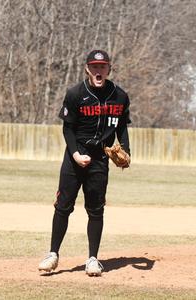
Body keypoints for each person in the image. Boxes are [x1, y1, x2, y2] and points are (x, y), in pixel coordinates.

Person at [38, 50, 131, 276]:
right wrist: (76, 155)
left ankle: (92, 259)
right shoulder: (76, 94)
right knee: (63, 207)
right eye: (94, 66)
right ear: (87, 69)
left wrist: (126, 151)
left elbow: (121, 127)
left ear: (109, 69)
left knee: (96, 209)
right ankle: (53, 254)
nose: (99, 70)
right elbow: (68, 128)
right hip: (74, 157)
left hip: (100, 158)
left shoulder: (120, 96)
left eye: (103, 66)